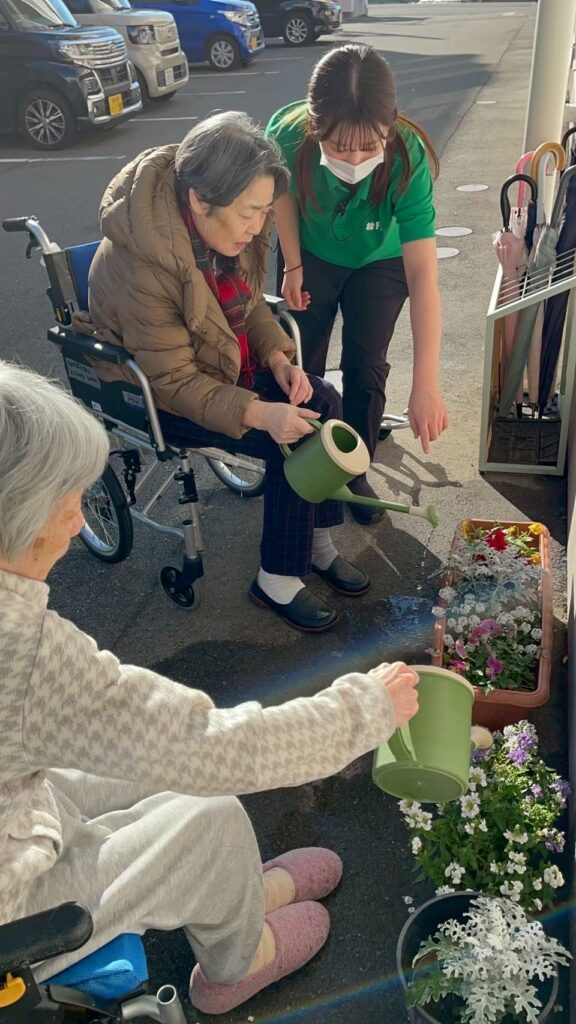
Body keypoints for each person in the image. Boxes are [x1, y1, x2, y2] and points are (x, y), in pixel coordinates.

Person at [0, 360, 419, 1016]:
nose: (79, 522)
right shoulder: (22, 650)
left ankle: (234, 891)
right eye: (69, 501)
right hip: (16, 911)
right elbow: (207, 743)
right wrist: (364, 711)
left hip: (18, 809)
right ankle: (234, 965)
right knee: (212, 813)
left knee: (138, 771)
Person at [85, 112, 368, 635]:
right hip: (157, 392)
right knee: (293, 441)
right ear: (199, 199)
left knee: (323, 400)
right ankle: (276, 579)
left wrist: (279, 359)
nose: (258, 227)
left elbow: (250, 304)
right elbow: (173, 381)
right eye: (249, 213)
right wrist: (261, 413)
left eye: (264, 211)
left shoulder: (218, 226)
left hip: (218, 364)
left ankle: (317, 543)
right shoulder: (143, 264)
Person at [265, 44, 449, 525]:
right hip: (311, 253)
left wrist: (426, 386)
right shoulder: (286, 135)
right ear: (315, 127)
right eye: (339, 146)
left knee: (366, 364)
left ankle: (353, 467)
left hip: (380, 260)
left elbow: (423, 278)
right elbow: (281, 199)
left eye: (370, 145)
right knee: (302, 361)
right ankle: (303, 460)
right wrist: (292, 264)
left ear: (390, 124)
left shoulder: (408, 156)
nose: (355, 158)